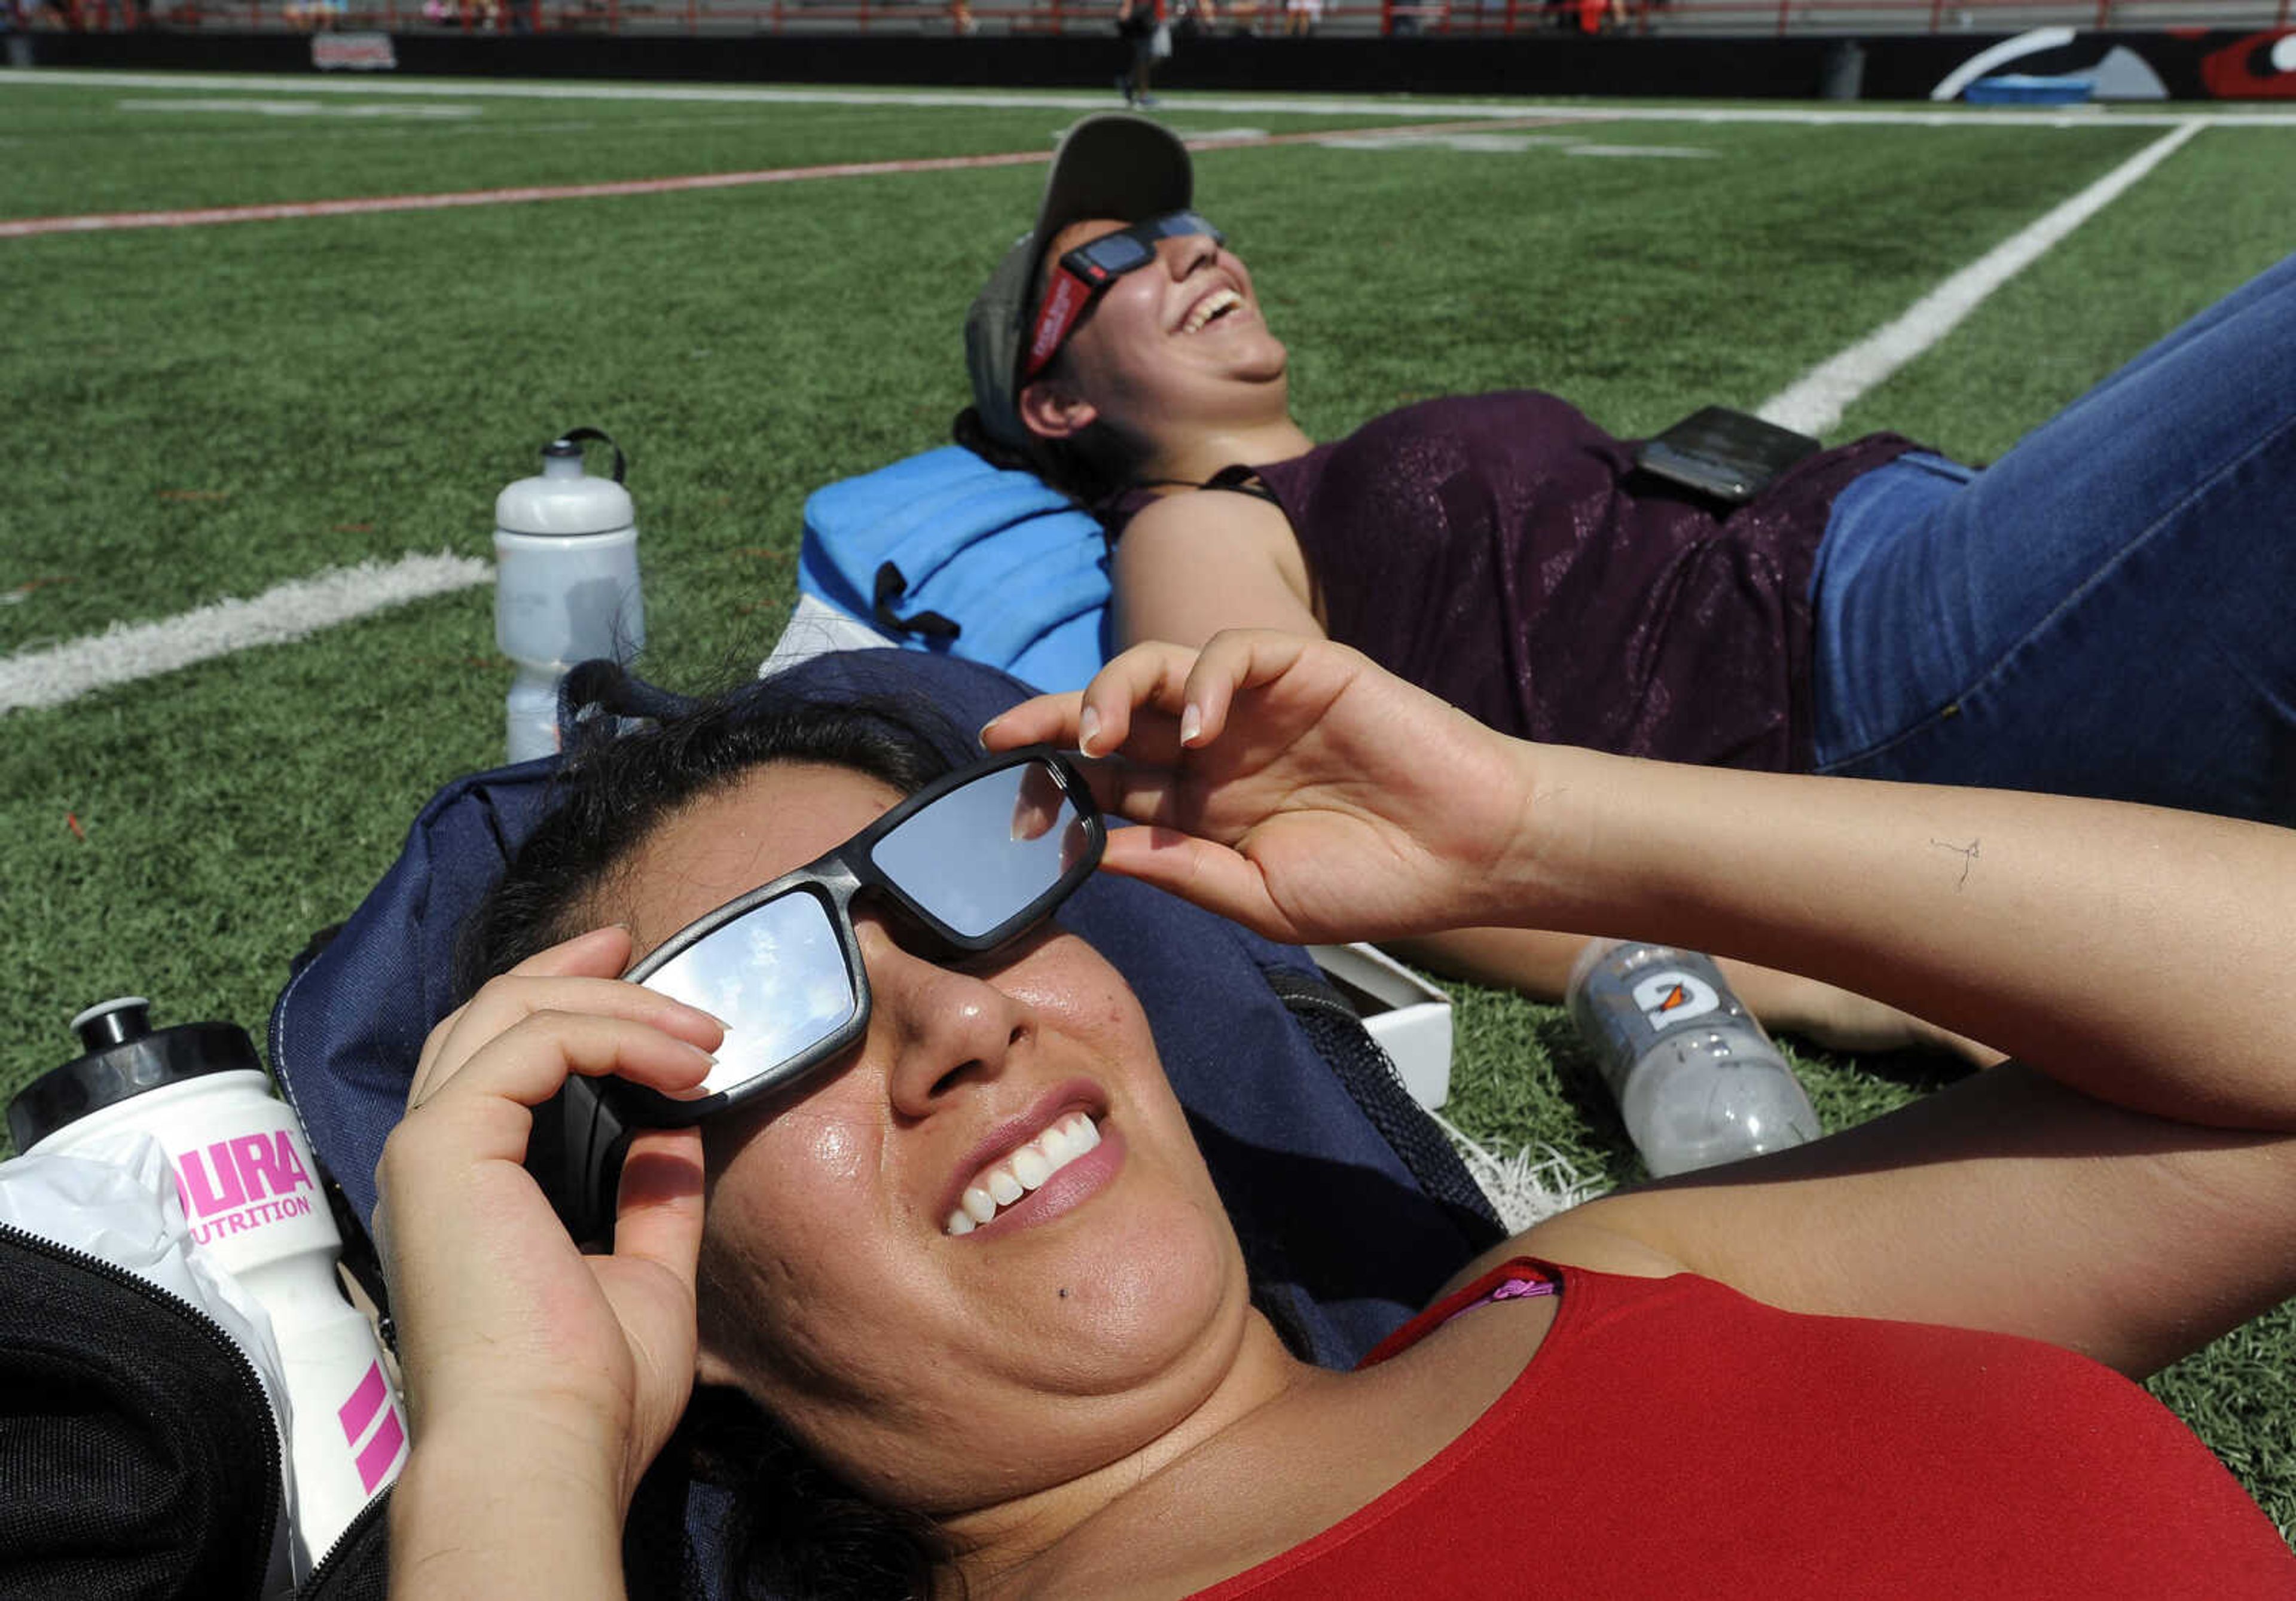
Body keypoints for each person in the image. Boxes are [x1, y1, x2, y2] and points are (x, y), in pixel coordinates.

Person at [378, 630, 2296, 1598]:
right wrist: (524, 1440)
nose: (960, 1017)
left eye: (954, 894)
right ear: (669, 1283)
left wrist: (1535, 831)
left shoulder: (1615, 1279)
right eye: (762, 1008)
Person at [954, 112, 2296, 1053]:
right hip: (1868, 662)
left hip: (1922, 551)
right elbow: (1287, 805)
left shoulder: (1321, 471)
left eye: (1189, 223)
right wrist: (1832, 978)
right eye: (1116, 258)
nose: (1192, 249)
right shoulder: (1195, 523)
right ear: (1056, 403)